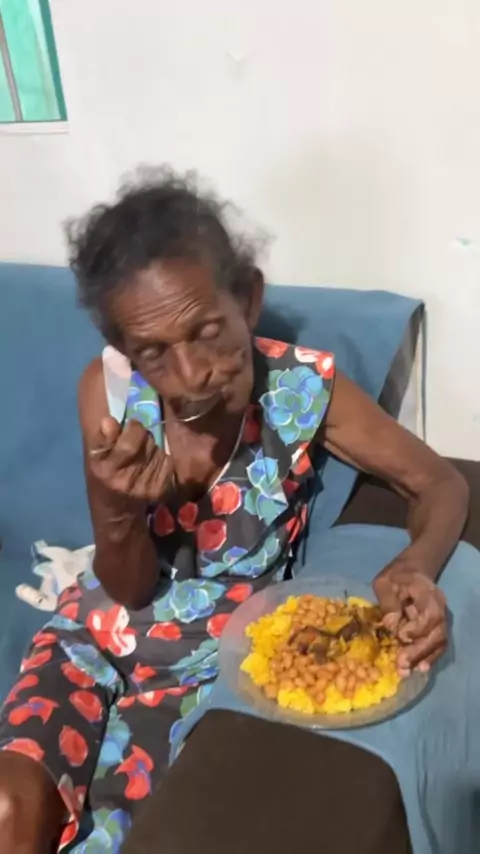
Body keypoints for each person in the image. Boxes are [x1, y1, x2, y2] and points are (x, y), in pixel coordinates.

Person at [0, 168, 468, 852]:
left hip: (215, 665)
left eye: (208, 331)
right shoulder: (110, 398)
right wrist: (116, 509)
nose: (192, 374)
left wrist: (413, 565)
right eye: (154, 353)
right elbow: (127, 588)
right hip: (94, 633)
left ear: (248, 298)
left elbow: (441, 484)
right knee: (9, 810)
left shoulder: (300, 389)